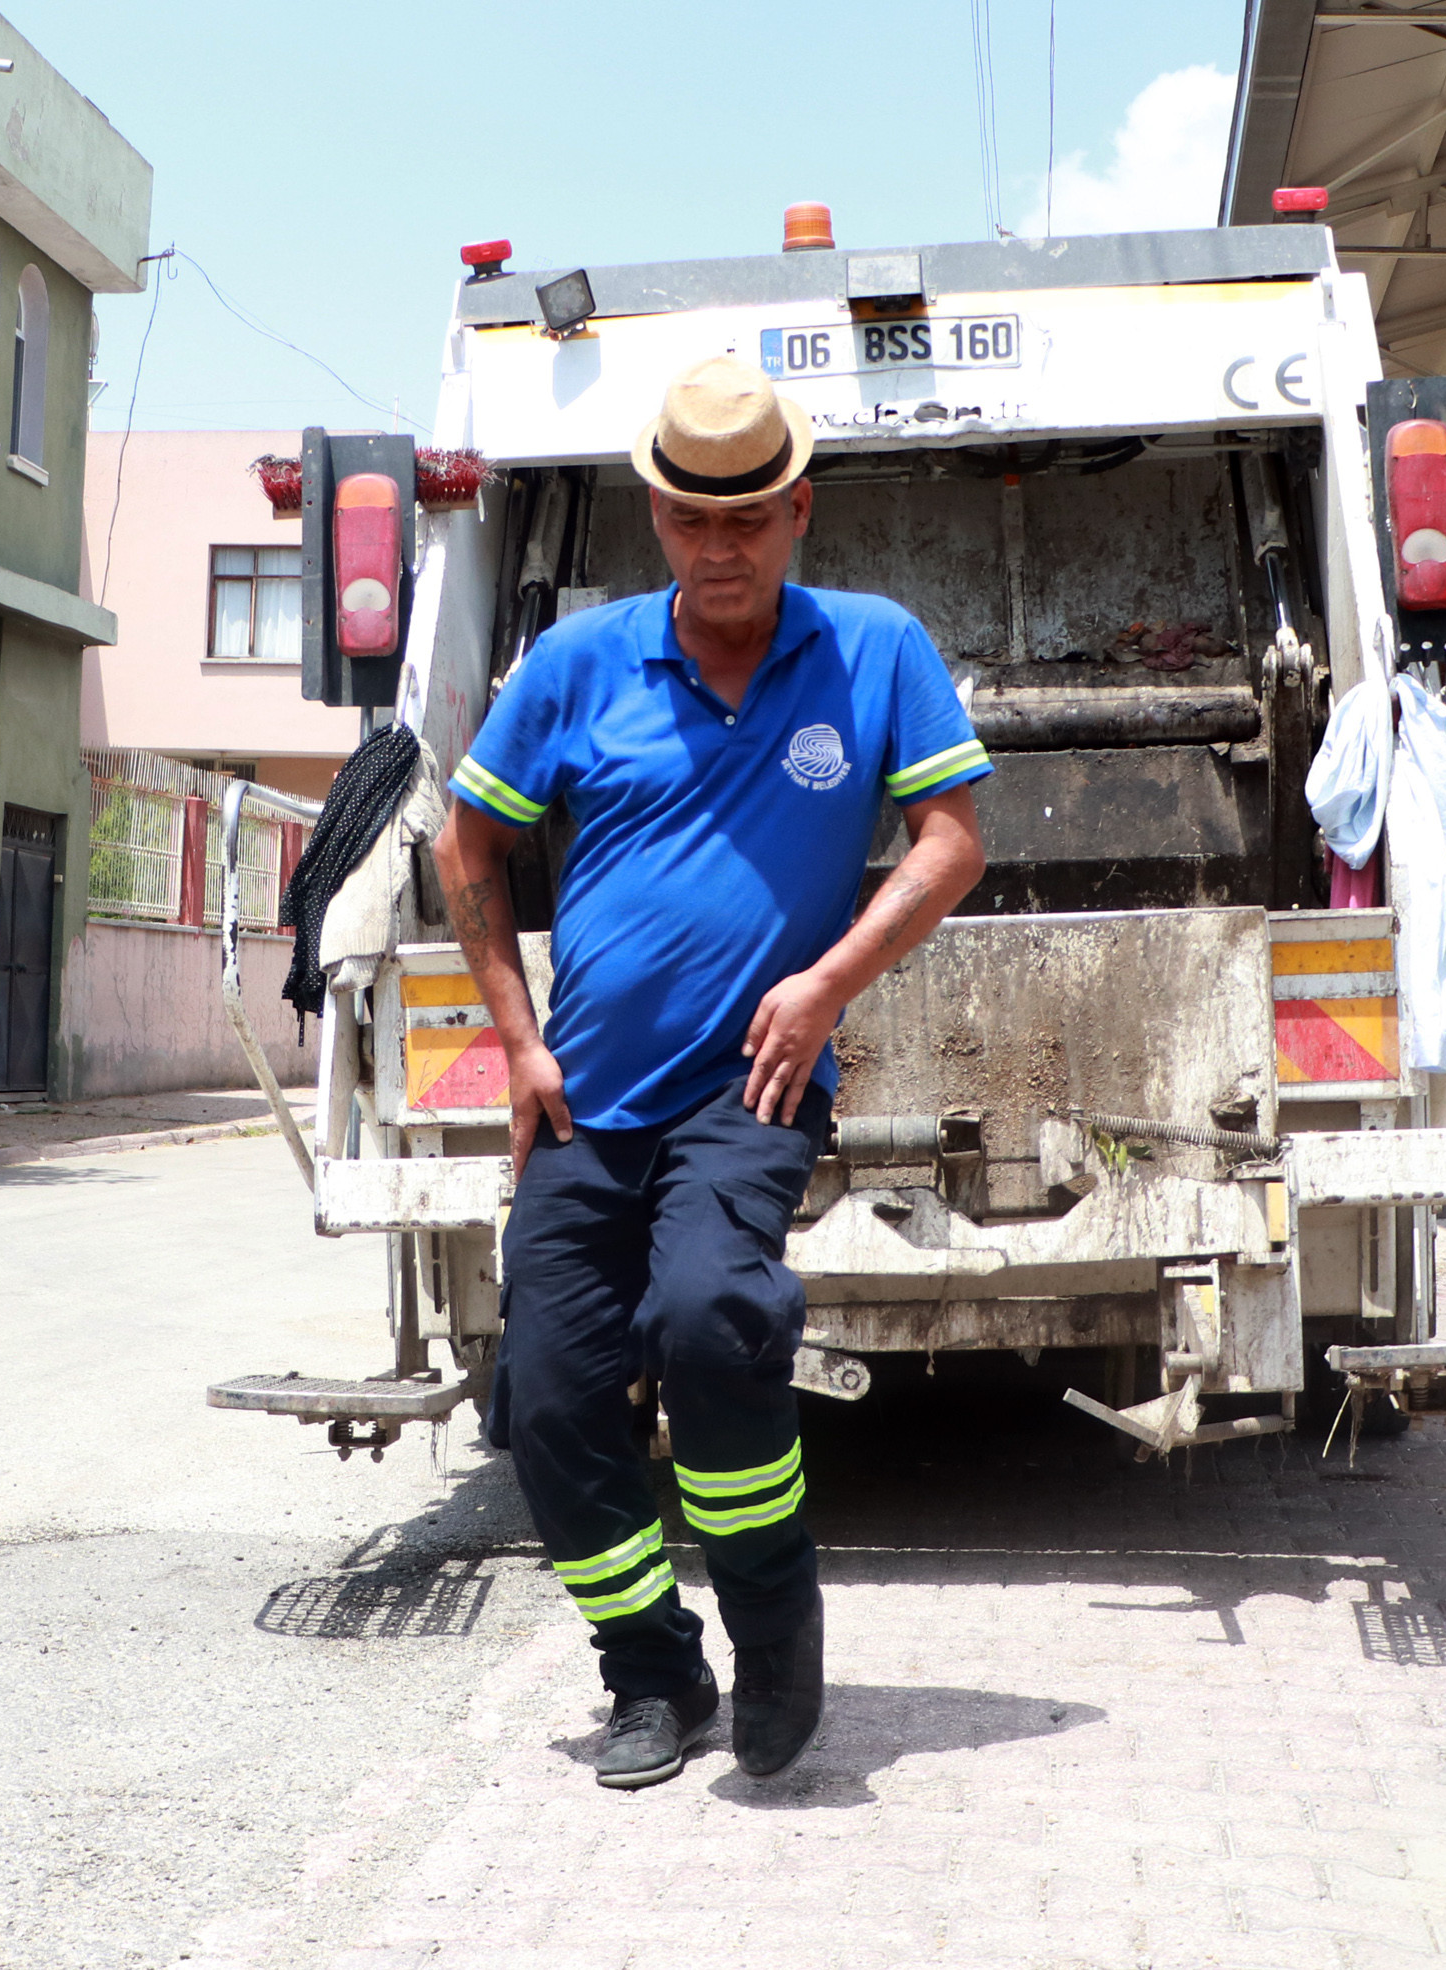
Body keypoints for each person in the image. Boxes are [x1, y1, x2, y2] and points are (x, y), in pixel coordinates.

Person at [434, 354, 990, 1789]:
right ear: (658, 520)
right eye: (691, 520)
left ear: (798, 509)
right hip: (580, 1101)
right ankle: (654, 1674)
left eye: (747, 519)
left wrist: (823, 985)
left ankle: (774, 1624)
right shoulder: (578, 665)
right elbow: (467, 845)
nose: (720, 547)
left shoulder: (871, 650)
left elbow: (951, 841)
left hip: (744, 1094)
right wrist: (516, 1036)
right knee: (548, 1396)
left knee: (710, 1312)